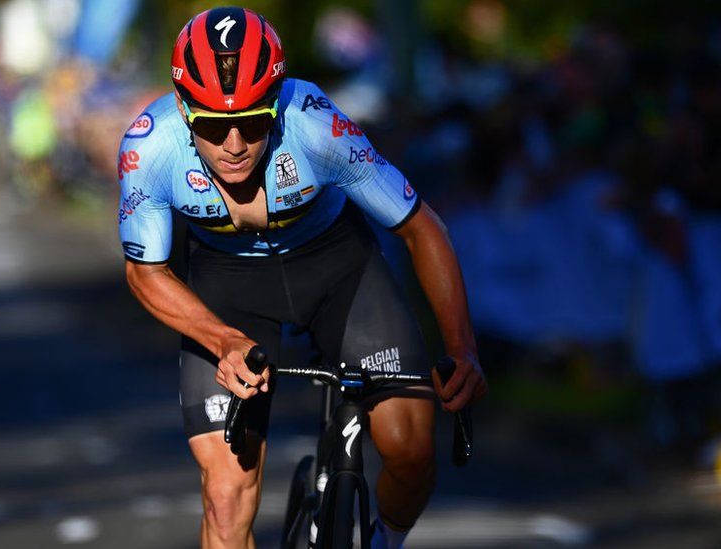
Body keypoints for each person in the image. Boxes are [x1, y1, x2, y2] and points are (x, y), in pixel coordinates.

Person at [118, 7, 486, 548]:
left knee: (411, 450)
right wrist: (221, 340)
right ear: (182, 107)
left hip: (336, 266)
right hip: (228, 286)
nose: (237, 143)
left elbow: (422, 229)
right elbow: (145, 271)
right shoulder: (149, 148)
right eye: (215, 126)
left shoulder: (316, 123)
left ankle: (383, 543)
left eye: (255, 119)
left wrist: (462, 347)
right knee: (225, 494)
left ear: (278, 100)